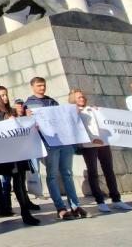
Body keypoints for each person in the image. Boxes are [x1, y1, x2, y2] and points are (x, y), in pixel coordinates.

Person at [25, 77, 86, 220]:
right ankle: (60, 207)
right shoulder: (29, 104)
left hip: (64, 141)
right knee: (52, 175)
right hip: (49, 143)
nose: (42, 88)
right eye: (39, 85)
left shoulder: (52, 101)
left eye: (43, 85)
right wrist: (27, 117)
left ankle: (75, 205)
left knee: (67, 173)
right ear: (32, 87)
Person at [68, 89, 132, 213]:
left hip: (103, 143)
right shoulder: (74, 113)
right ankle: (100, 201)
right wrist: (93, 139)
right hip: (88, 145)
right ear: (73, 100)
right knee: (93, 173)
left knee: (109, 170)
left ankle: (116, 199)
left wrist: (99, 111)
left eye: (82, 97)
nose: (81, 99)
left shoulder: (92, 109)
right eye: (78, 98)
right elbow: (78, 130)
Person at [0, 86, 40, 226]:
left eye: (6, 95)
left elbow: (21, 128)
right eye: (2, 95)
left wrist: (28, 120)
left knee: (20, 183)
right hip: (6, 154)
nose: (5, 98)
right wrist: (7, 121)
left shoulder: (12, 111)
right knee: (12, 182)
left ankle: (25, 212)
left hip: (18, 152)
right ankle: (13, 209)